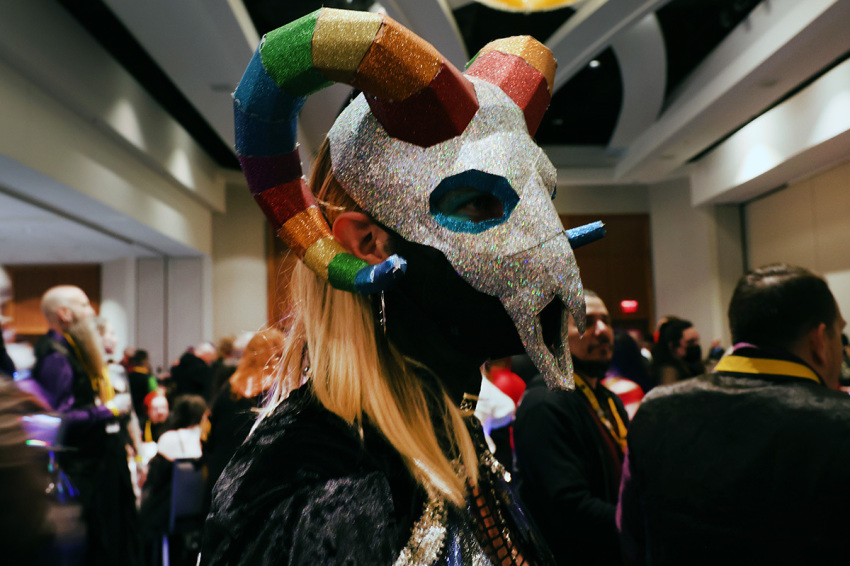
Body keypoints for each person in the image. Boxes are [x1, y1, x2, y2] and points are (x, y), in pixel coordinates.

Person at [202, 8, 601, 565]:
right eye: (480, 203)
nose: (543, 243)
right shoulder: (321, 487)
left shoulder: (450, 429)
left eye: (542, 200)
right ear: (368, 243)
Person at [618, 264, 850, 565]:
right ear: (819, 341)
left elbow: (630, 533)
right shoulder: (841, 421)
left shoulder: (654, 410)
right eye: (839, 332)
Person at [514, 291, 628, 565]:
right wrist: (640, 522)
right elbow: (568, 507)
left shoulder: (609, 400)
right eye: (586, 321)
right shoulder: (544, 403)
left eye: (606, 321)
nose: (602, 331)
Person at [32, 285, 141, 565]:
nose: (91, 311)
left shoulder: (71, 351)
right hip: (81, 472)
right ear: (64, 313)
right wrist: (108, 410)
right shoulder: (56, 356)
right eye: (83, 305)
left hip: (96, 466)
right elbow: (60, 418)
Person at [204, 328, 284, 493]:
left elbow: (209, 435)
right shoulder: (278, 391)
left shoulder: (229, 387)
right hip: (255, 480)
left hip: (220, 475)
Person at [140, 394, 207, 566]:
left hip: (168, 513)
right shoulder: (206, 439)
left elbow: (154, 480)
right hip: (201, 511)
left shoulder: (169, 438)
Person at [650, 317, 703, 385]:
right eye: (690, 342)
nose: (696, 345)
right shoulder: (668, 372)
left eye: (697, 340)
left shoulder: (692, 364)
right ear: (673, 345)